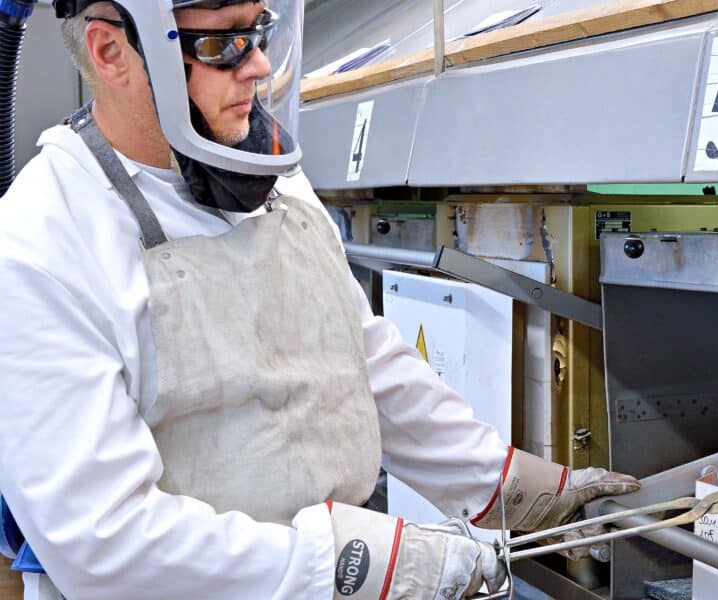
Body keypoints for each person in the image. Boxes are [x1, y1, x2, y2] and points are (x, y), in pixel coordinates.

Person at [0, 0, 640, 597]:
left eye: (260, 31)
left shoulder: (267, 177)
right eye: (222, 44)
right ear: (112, 53)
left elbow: (358, 362)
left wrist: (508, 486)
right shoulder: (44, 240)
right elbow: (104, 539)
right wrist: (352, 565)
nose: (257, 64)